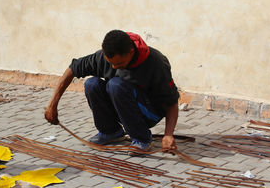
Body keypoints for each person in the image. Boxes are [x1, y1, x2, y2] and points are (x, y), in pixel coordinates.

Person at [45, 30, 179, 155]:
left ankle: (142, 138)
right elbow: (73, 68)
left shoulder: (156, 63)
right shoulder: (104, 56)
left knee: (115, 85)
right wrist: (53, 104)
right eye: (111, 63)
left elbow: (172, 102)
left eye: (119, 63)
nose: (114, 67)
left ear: (131, 52)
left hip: (149, 112)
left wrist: (168, 134)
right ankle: (110, 132)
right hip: (123, 104)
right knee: (92, 84)